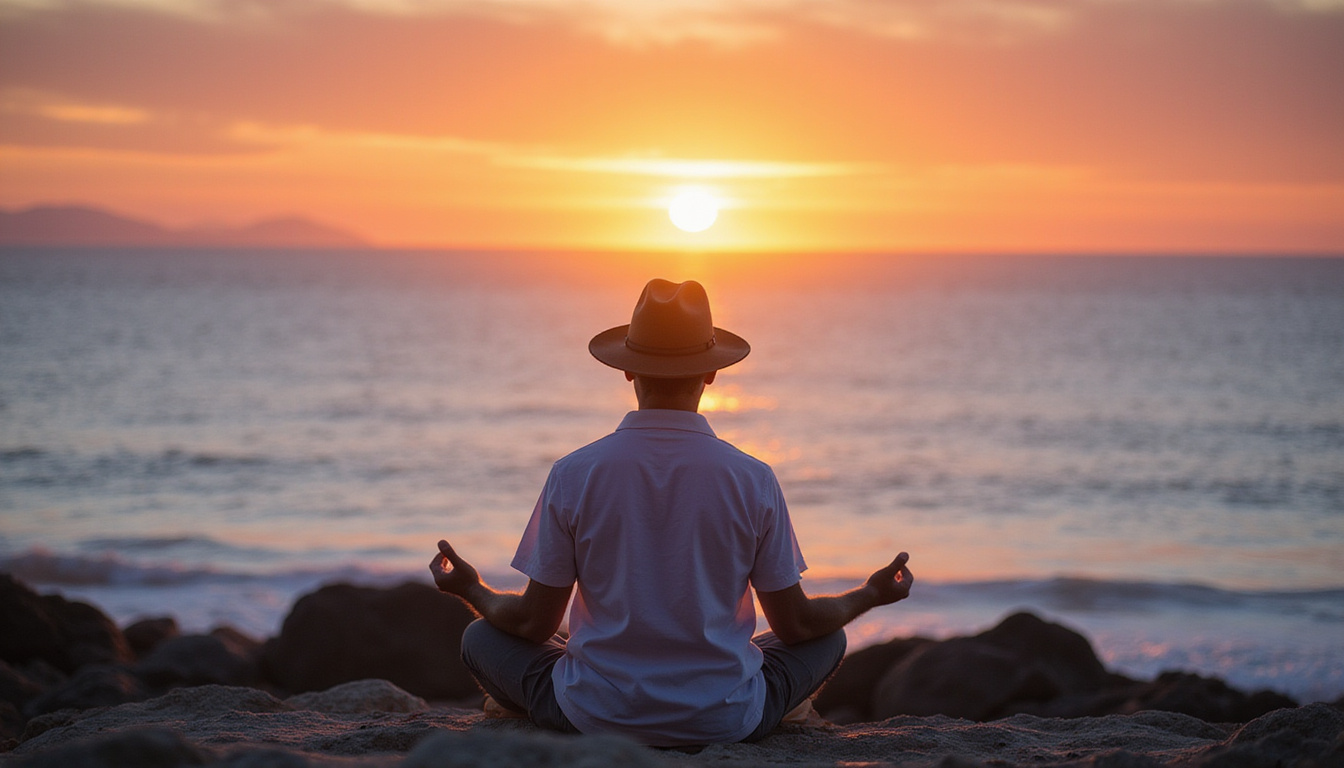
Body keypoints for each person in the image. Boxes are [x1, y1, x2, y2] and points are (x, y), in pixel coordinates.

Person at [430, 278, 913, 746]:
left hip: (596, 717)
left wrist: (470, 587)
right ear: (711, 372)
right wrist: (870, 594)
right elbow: (798, 626)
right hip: (725, 719)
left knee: (479, 638)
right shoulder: (753, 478)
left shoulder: (575, 472)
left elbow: (532, 625)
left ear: (627, 369)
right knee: (828, 639)